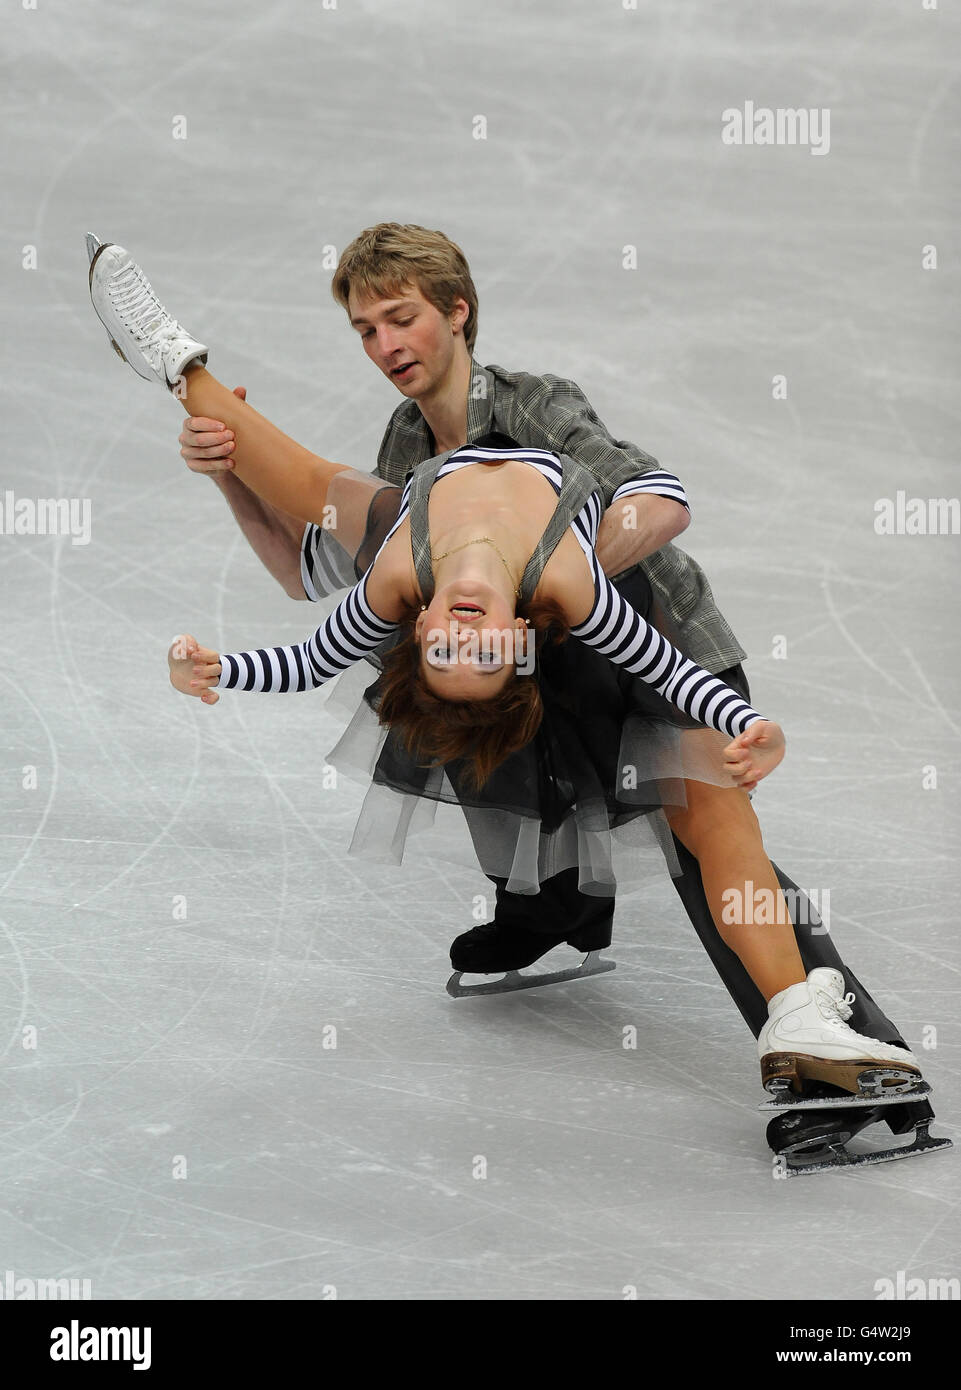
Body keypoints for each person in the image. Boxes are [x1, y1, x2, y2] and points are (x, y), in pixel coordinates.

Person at [86, 231, 943, 1167]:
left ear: (457, 311)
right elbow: (309, 573)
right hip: (541, 649)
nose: (385, 346)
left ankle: (849, 1062)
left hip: (647, 633)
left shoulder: (536, 405)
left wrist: (556, 574)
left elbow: (659, 500)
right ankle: (557, 911)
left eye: (402, 318)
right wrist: (228, 480)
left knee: (708, 840)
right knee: (464, 726)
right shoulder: (407, 449)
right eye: (366, 329)